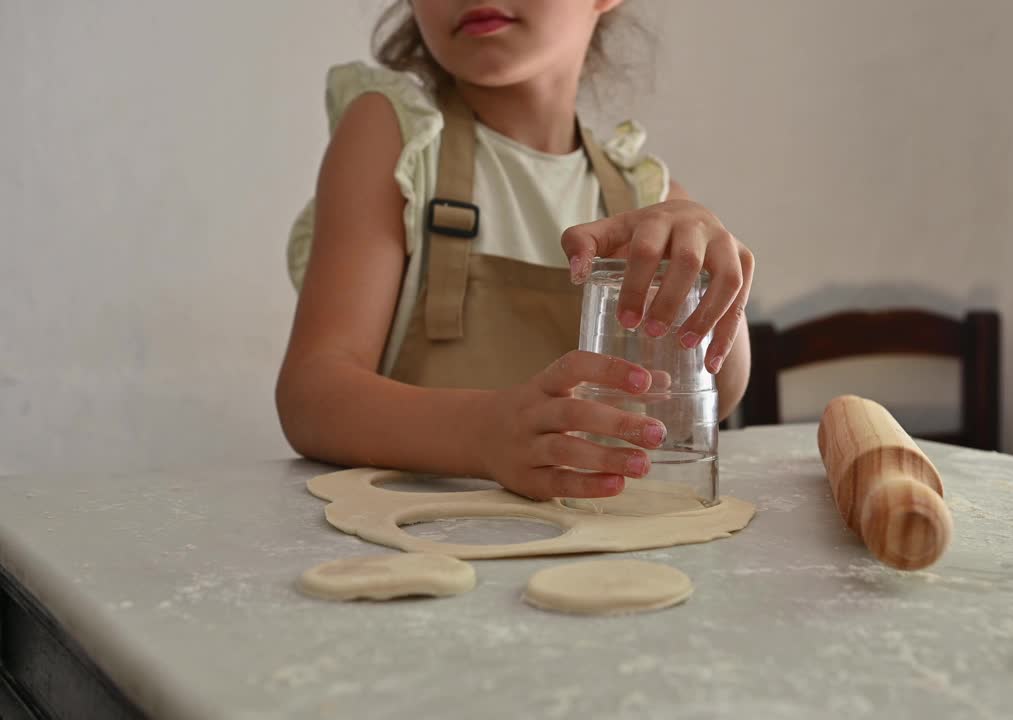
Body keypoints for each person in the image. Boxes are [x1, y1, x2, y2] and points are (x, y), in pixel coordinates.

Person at [277, 0, 753, 502]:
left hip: (599, 553)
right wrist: (483, 433)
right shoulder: (395, 135)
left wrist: (713, 273)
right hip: (429, 541)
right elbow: (311, 397)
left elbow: (717, 397)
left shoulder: (646, 196)